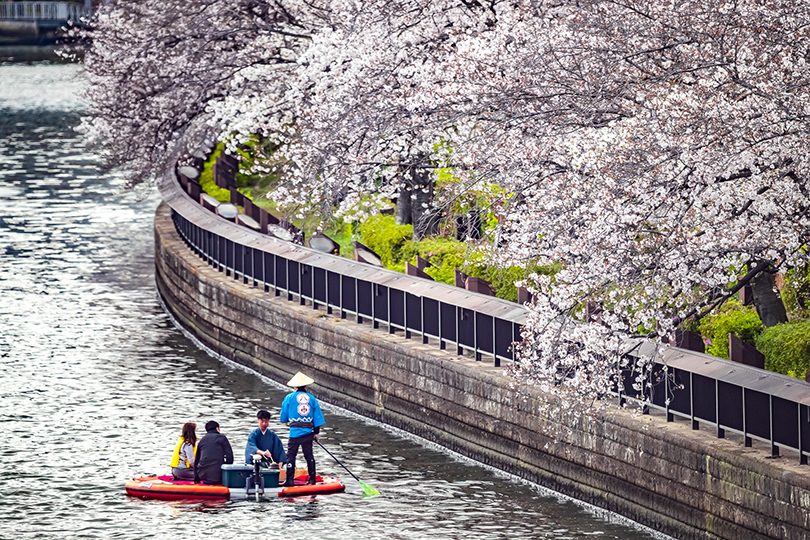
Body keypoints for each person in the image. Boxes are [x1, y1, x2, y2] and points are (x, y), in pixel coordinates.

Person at [280, 372, 325, 486]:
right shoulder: (312, 399)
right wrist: (316, 433)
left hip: (294, 432)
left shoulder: (289, 397)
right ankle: (312, 480)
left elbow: (283, 418)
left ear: (295, 386)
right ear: (305, 386)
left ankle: (289, 480)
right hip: (308, 433)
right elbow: (317, 418)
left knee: (291, 456)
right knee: (309, 455)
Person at [194, 420, 234, 485]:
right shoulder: (222, 438)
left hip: (203, 476)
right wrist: (225, 468)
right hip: (218, 476)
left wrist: (196, 478)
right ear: (217, 428)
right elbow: (230, 457)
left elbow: (196, 461)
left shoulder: (202, 440)